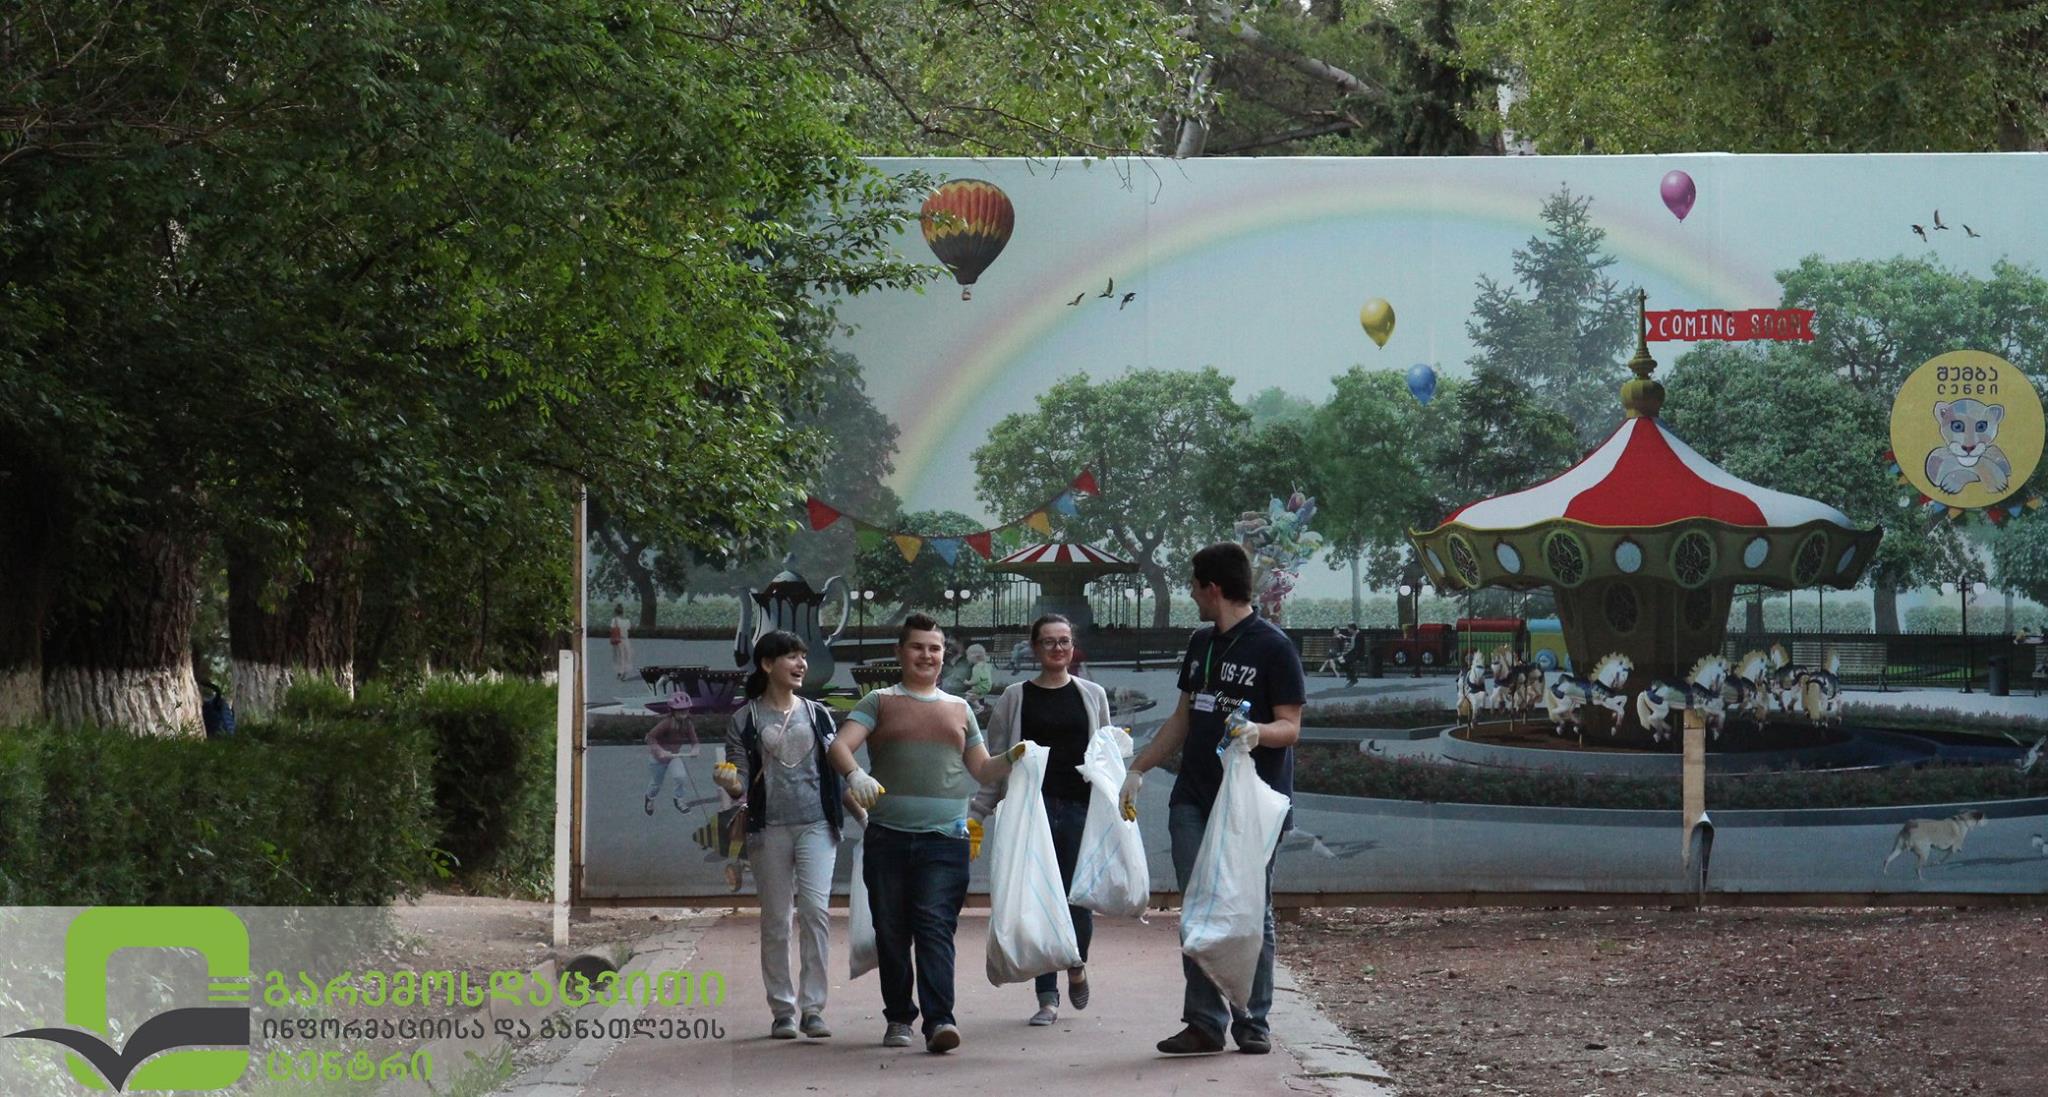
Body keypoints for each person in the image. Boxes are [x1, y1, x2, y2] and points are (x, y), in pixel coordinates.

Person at [1119, 542, 1304, 1056]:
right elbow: (1182, 718)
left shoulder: (1274, 647)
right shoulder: (1201, 643)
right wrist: (1137, 768)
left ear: (1213, 588)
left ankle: (1252, 1020)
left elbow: (1291, 726)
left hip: (1250, 806)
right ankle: (1204, 1022)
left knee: (1250, 908)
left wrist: (1257, 732)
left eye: (1194, 586)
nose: (1192, 595)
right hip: (1194, 797)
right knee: (1198, 908)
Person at [827, 612, 1027, 1055]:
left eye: (934, 648)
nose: (926, 655)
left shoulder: (959, 709)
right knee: (891, 931)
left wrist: (1012, 758)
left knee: (935, 927)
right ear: (900, 652)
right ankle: (899, 1016)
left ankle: (940, 1021)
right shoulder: (879, 701)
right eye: (917, 647)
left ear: (944, 655)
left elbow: (982, 769)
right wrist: (856, 774)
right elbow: (839, 745)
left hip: (945, 841)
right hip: (888, 838)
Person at [712, 630, 855, 1041]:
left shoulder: (818, 714)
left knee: (815, 912)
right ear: (767, 664)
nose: (801, 664)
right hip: (768, 828)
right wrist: (731, 782)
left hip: (817, 825)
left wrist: (864, 810)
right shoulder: (745, 719)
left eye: (802, 656)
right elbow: (739, 779)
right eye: (791, 656)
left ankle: (813, 1008)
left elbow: (837, 771)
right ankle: (782, 1010)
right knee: (776, 920)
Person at [971, 613, 1113, 1026]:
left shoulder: (1092, 695)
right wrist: (978, 812)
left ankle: (1076, 963)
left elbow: (1106, 757)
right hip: (1031, 812)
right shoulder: (1014, 697)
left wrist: (1119, 799)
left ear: (1073, 646)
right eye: (1048, 641)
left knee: (1076, 899)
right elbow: (997, 763)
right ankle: (1047, 998)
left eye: (1064, 641)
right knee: (1039, 900)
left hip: (1081, 809)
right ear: (1035, 648)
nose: (1057, 648)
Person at [643, 692, 699, 815]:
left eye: (686, 710)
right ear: (673, 711)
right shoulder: (666, 723)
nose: (683, 713)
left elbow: (694, 740)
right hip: (658, 758)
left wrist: (695, 749)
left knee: (680, 777)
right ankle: (649, 798)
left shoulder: (688, 723)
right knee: (656, 783)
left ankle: (678, 799)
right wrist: (660, 751)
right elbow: (649, 737)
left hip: (674, 756)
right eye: (680, 710)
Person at [609, 603, 634, 681]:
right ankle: (624, 671)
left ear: (615, 612)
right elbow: (629, 629)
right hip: (625, 640)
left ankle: (620, 671)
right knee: (626, 656)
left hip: (617, 640)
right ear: (623, 612)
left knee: (619, 656)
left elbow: (611, 629)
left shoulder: (614, 620)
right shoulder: (627, 621)